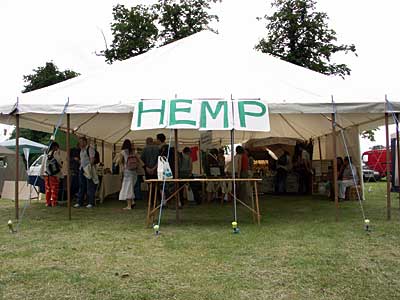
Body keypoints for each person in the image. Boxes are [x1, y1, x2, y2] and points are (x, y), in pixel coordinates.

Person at [115, 139, 144, 210]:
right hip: (134, 172)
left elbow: (118, 162)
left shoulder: (122, 152)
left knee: (127, 189)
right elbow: (140, 161)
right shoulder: (134, 152)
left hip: (127, 172)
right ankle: (132, 202)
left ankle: (129, 206)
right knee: (131, 188)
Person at [74, 137, 98, 208]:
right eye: (79, 142)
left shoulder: (90, 149)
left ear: (85, 142)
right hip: (82, 169)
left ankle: (91, 202)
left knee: (89, 186)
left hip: (88, 170)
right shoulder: (81, 150)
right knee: (81, 186)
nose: (80, 143)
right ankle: (79, 202)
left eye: (81, 142)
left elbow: (92, 160)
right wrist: (78, 161)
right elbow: (82, 161)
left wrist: (88, 168)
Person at [40, 141, 63, 207]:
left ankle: (48, 202)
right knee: (54, 188)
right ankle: (54, 202)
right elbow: (59, 162)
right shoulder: (55, 153)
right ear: (55, 147)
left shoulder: (46, 153)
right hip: (54, 173)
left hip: (47, 173)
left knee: (48, 189)